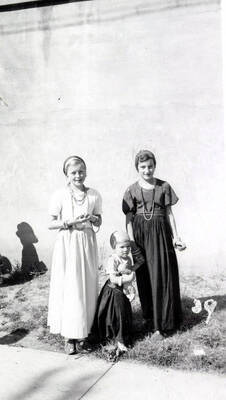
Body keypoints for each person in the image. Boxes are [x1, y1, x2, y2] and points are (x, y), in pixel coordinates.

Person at [122, 150, 186, 338]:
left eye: (150, 166)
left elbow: (169, 214)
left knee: (162, 275)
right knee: (144, 276)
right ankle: (149, 317)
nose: (147, 170)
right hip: (140, 238)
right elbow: (128, 218)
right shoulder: (131, 190)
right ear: (137, 168)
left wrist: (176, 237)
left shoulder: (164, 186)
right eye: (143, 167)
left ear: (154, 166)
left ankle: (164, 322)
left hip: (161, 236)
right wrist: (131, 242)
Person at [48, 155, 102, 354]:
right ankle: (69, 336)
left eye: (81, 171)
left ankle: (84, 331)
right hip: (67, 243)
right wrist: (68, 222)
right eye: (73, 172)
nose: (78, 175)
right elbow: (50, 222)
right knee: (70, 286)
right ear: (67, 175)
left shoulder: (94, 195)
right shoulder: (60, 195)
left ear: (86, 172)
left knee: (85, 285)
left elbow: (99, 221)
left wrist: (93, 218)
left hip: (86, 243)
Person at [92, 231, 136, 353]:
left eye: (128, 247)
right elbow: (113, 279)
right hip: (113, 290)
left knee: (123, 313)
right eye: (121, 247)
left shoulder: (128, 259)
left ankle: (123, 335)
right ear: (114, 247)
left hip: (122, 290)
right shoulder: (113, 259)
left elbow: (129, 273)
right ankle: (117, 338)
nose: (125, 250)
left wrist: (130, 287)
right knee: (115, 314)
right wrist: (127, 279)